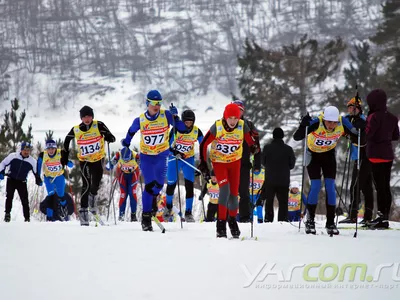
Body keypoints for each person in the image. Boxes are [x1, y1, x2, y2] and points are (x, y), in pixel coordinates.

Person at [121, 90, 186, 231]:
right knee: (150, 186)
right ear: (147, 103)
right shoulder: (140, 120)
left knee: (158, 187)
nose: (156, 106)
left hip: (162, 156)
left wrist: (176, 117)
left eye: (158, 103)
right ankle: (145, 218)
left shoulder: (166, 115)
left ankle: (152, 203)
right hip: (146, 157)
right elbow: (131, 131)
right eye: (153, 103)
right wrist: (126, 143)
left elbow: (182, 129)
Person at [294, 106, 358, 235]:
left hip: (328, 155)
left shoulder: (342, 122)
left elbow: (357, 135)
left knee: (330, 186)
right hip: (313, 155)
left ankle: (330, 221)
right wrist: (303, 125)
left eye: (334, 122)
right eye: (329, 122)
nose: (332, 125)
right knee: (316, 186)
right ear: (324, 119)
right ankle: (310, 220)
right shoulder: (317, 122)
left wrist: (359, 127)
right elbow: (297, 137)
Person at [198, 103, 259, 238]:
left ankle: (232, 220)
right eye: (230, 118)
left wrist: (254, 147)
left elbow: (250, 141)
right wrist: (203, 164)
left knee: (234, 194)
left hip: (234, 162)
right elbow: (203, 144)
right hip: (219, 162)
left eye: (235, 118)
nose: (233, 121)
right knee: (224, 190)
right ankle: (220, 224)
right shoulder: (218, 127)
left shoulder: (242, 125)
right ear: (225, 117)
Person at [61, 106, 116, 226]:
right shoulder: (76, 129)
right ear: (81, 118)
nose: (87, 119)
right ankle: (84, 211)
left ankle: (92, 199)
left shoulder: (99, 125)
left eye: (89, 116)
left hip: (97, 159)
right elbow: (66, 141)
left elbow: (111, 136)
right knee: (86, 184)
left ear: (92, 116)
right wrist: (64, 155)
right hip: (84, 160)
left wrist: (109, 137)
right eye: (84, 117)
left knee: (96, 183)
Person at [365, 89, 399, 229]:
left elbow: (368, 134)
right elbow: (396, 136)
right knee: (385, 187)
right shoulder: (392, 117)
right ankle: (385, 217)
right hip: (388, 155)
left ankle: (380, 217)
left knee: (379, 187)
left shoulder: (373, 116)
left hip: (375, 155)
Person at [339, 97, 374, 224]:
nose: (350, 110)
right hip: (359, 157)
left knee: (355, 186)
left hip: (365, 157)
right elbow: (344, 125)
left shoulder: (362, 120)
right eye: (348, 107)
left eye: (352, 108)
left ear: (358, 109)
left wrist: (347, 128)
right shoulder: (352, 119)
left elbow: (357, 131)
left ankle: (353, 215)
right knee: (366, 187)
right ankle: (368, 216)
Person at [165, 109, 203, 222]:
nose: (188, 124)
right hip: (175, 158)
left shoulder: (196, 131)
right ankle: (168, 207)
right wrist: (174, 152)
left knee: (189, 185)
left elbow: (204, 145)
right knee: (171, 183)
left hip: (188, 159)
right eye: (186, 122)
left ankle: (188, 212)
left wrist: (202, 163)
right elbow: (167, 146)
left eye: (190, 122)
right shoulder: (176, 129)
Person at [232, 100, 261, 222]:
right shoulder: (226, 123)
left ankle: (245, 217)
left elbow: (256, 143)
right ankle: (229, 216)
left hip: (244, 163)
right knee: (230, 191)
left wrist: (257, 163)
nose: (238, 112)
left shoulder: (249, 124)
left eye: (240, 110)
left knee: (244, 192)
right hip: (229, 163)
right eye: (235, 109)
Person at [0, 142, 42, 222]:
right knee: (9, 197)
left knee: (25, 200)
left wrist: (38, 179)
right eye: (24, 150)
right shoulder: (13, 156)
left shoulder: (32, 161)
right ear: (21, 150)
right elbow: (3, 163)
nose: (26, 152)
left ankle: (27, 218)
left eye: (28, 150)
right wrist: (1, 172)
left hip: (22, 182)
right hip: (11, 179)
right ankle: (7, 214)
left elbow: (36, 172)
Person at [262, 127, 296, 222]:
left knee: (269, 201)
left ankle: (268, 219)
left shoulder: (267, 148)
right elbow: (292, 165)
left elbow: (263, 162)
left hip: (270, 179)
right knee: (283, 202)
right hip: (284, 179)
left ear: (273, 136)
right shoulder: (288, 149)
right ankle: (283, 220)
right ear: (282, 136)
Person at [37, 139, 74, 221]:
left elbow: (71, 165)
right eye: (49, 149)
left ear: (55, 148)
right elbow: (39, 164)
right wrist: (37, 176)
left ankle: (64, 212)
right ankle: (49, 217)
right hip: (48, 178)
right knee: (51, 196)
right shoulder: (43, 155)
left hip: (59, 176)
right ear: (46, 149)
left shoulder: (60, 153)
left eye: (52, 148)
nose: (51, 151)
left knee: (61, 196)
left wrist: (67, 162)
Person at [108, 147, 140, 222]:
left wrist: (140, 162)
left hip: (133, 175)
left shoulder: (136, 155)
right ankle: (121, 216)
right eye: (124, 160)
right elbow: (108, 166)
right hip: (122, 174)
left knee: (132, 193)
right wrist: (112, 163)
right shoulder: (118, 154)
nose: (126, 161)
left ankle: (133, 215)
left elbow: (144, 164)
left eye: (128, 159)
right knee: (123, 194)